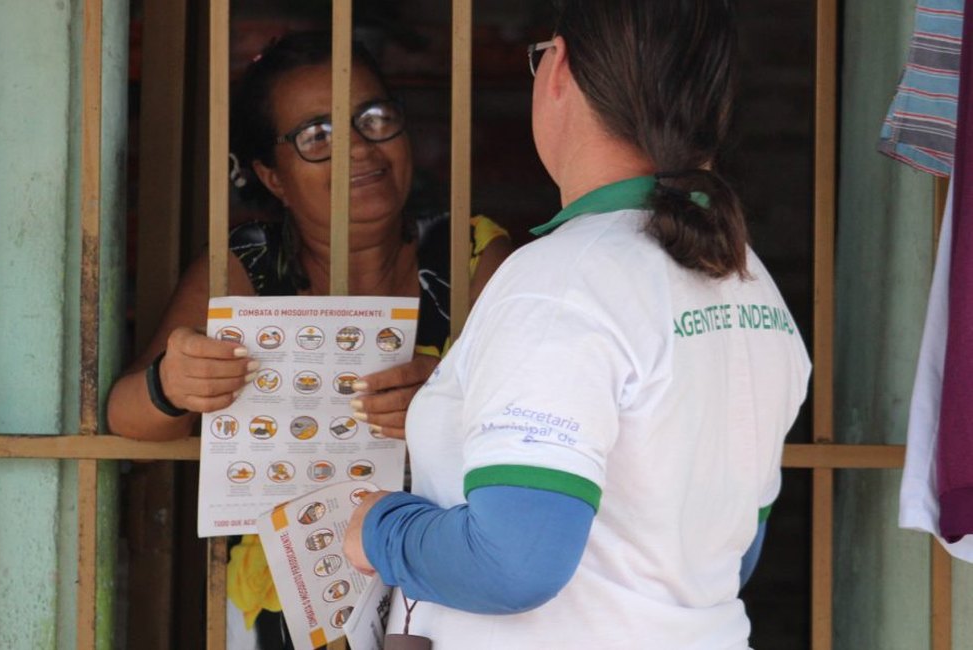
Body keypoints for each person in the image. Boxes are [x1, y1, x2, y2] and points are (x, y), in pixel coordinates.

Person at [343, 2, 812, 648]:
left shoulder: (563, 282)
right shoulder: (750, 285)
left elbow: (515, 561)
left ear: (556, 68)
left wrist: (379, 530)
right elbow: (732, 549)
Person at [105, 31, 512, 649]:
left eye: (374, 119)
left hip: (448, 584)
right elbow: (125, 419)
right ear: (271, 175)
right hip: (288, 597)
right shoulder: (243, 269)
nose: (358, 149)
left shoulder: (474, 257)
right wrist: (171, 384)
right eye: (316, 136)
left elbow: (544, 419)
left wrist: (450, 403)